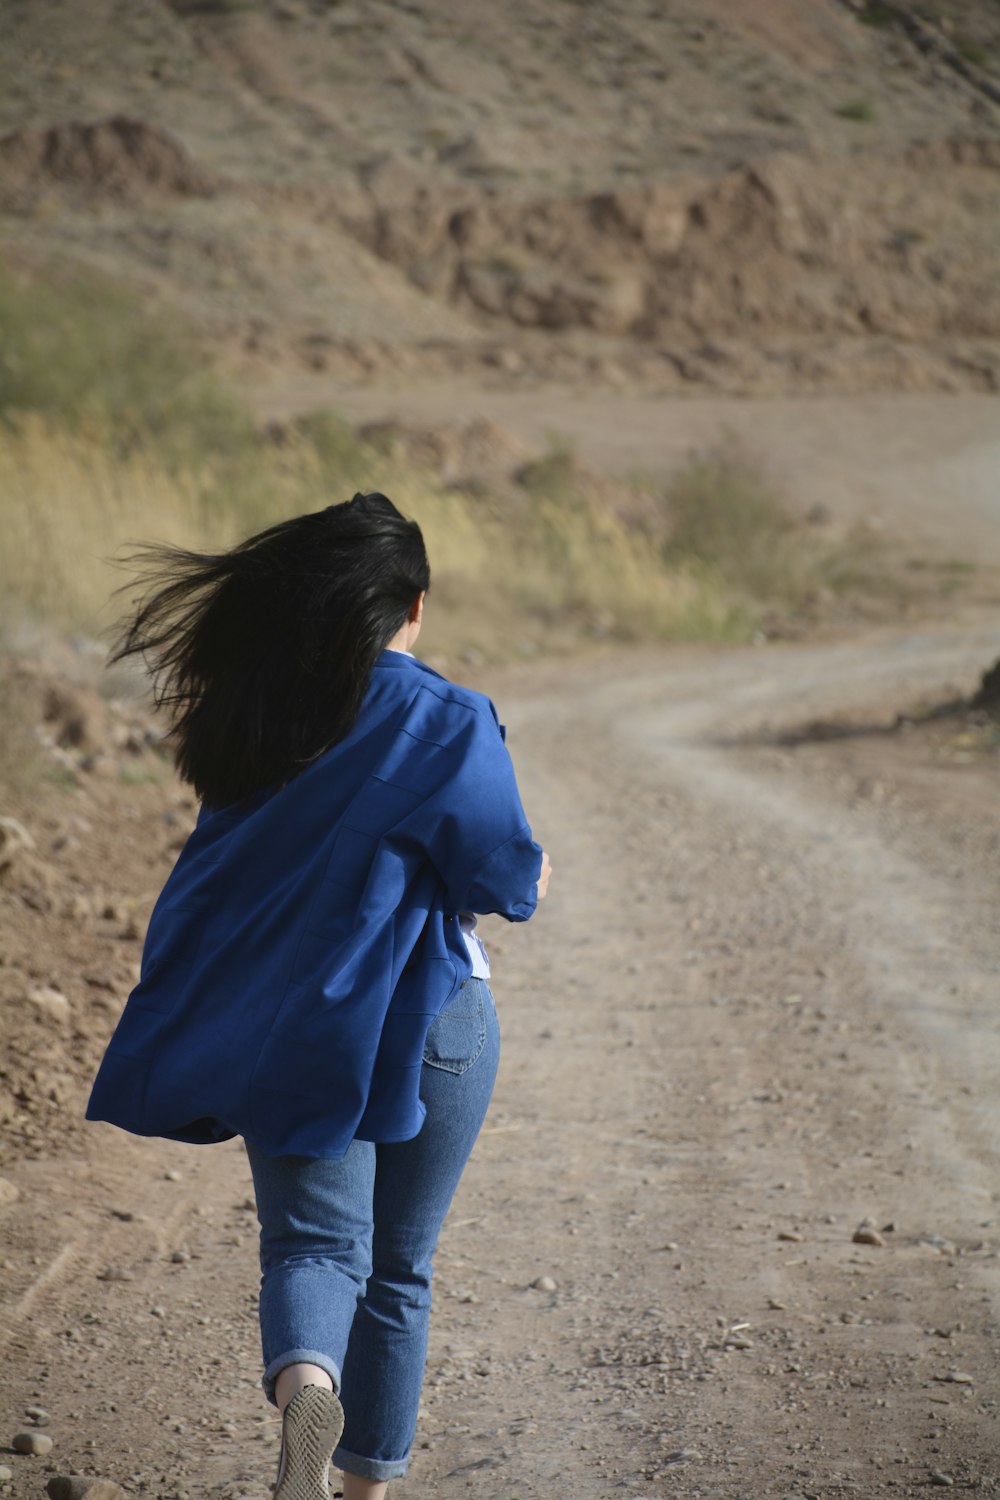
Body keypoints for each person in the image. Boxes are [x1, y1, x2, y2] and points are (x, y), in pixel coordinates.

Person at [87, 492, 550, 1500]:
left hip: (286, 1027)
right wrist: (536, 872)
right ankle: (360, 1491)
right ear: (412, 606)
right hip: (431, 1016)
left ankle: (307, 1384)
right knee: (401, 1267)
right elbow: (500, 877)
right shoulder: (445, 713)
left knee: (310, 1244)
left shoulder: (251, 713)